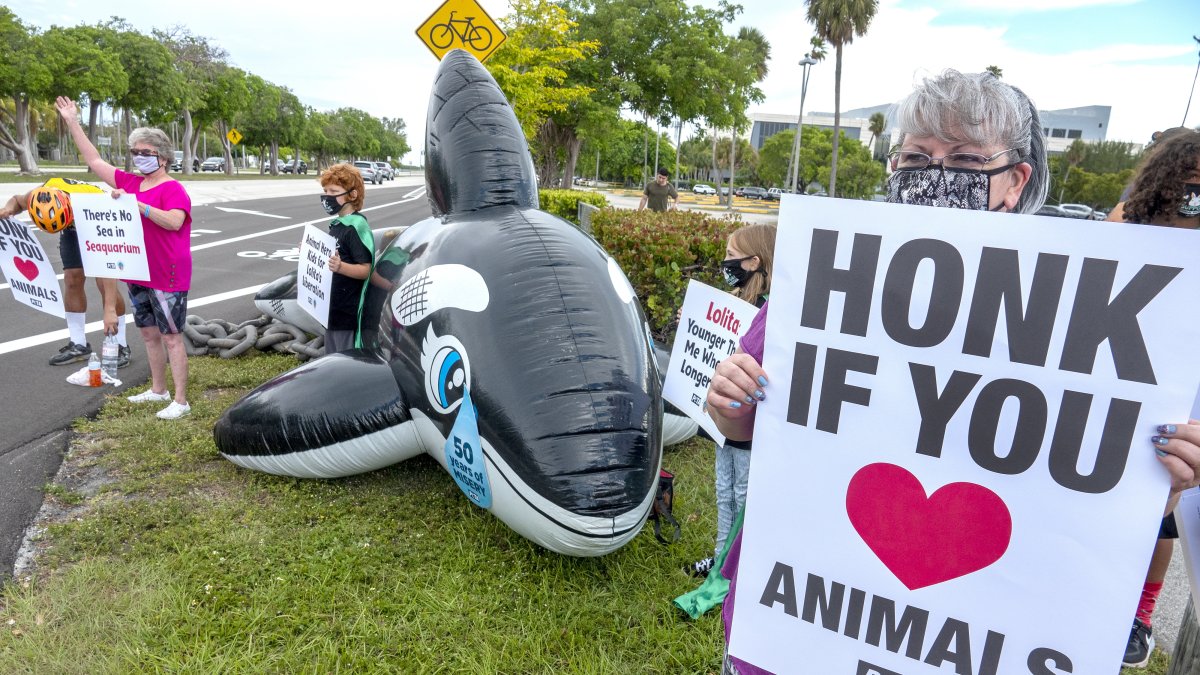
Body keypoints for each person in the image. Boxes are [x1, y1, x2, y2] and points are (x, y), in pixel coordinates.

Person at [706, 70, 1200, 675]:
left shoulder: (1083, 308)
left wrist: (1157, 482)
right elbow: (741, 428)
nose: (937, 172)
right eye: (918, 155)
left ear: (1015, 180)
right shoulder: (826, 278)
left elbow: (1085, 502)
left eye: (966, 158)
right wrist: (728, 400)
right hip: (795, 628)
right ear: (894, 168)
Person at [1112, 128, 1200, 669]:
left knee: (1162, 513)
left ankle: (1140, 614)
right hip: (1127, 406)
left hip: (1177, 430)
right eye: (1188, 194)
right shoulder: (1127, 228)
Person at [55, 96, 194, 420]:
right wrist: (72, 121)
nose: (139, 158)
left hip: (167, 273)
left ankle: (181, 400)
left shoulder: (172, 188)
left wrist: (138, 205)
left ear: (162, 157)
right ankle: (158, 389)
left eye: (145, 153)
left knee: (172, 337)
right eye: (135, 153)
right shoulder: (132, 182)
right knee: (148, 333)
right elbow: (94, 160)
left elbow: (174, 221)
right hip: (138, 272)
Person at [686, 223, 776, 580]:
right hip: (720, 420)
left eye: (731, 256)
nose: (725, 263)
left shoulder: (772, 315)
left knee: (744, 493)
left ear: (754, 261)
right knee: (724, 488)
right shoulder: (732, 303)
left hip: (750, 426)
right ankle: (722, 556)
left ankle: (738, 568)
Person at [0, 178, 131, 367]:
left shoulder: (93, 202)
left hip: (100, 222)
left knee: (104, 283)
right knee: (72, 278)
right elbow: (16, 200)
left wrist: (109, 309)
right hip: (71, 227)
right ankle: (78, 344)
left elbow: (107, 268)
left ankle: (120, 344)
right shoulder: (40, 195)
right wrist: (8, 208)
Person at [319, 163, 374, 354]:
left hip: (347, 312)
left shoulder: (355, 228)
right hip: (332, 308)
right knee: (331, 355)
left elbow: (366, 269)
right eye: (325, 190)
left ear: (352, 195)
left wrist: (341, 267)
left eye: (333, 191)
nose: (327, 196)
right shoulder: (337, 224)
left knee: (343, 356)